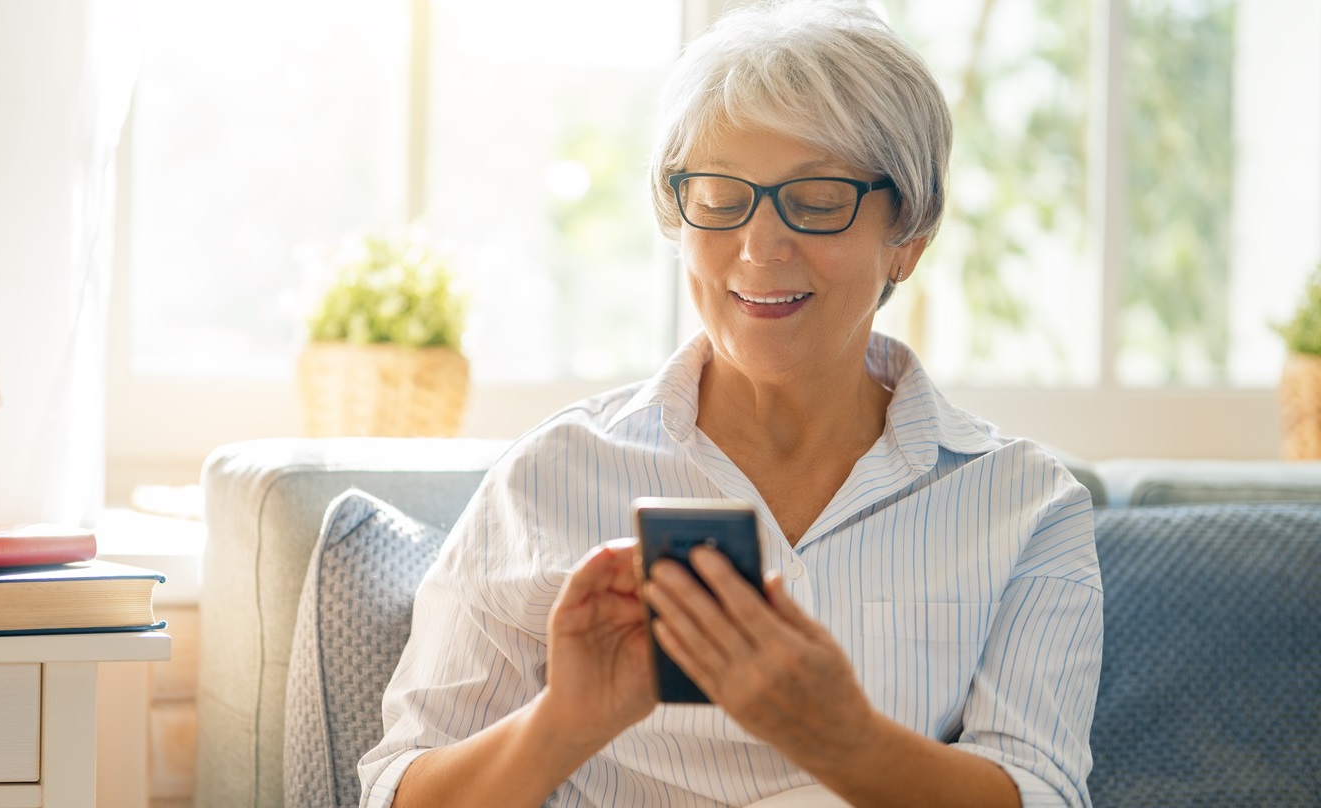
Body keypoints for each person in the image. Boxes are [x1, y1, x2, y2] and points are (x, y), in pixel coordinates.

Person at [359, 1, 1103, 806]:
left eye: (817, 201)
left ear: (909, 237)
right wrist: (564, 721)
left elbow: (1044, 795)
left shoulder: (1025, 505)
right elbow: (396, 792)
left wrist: (842, 737)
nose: (759, 247)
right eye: (719, 198)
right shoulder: (552, 475)